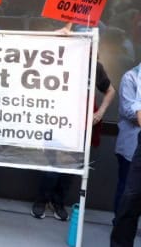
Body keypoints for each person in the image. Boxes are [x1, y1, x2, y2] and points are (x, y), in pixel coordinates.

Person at [31, 60, 114, 221]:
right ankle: (42, 200)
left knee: (70, 169)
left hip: (80, 127)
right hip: (56, 122)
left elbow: (110, 90)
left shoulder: (94, 65)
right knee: (51, 168)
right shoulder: (59, 58)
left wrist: (100, 112)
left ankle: (58, 202)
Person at [112, 62, 141, 223]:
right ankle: (119, 223)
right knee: (127, 189)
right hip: (131, 146)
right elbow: (129, 111)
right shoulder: (131, 77)